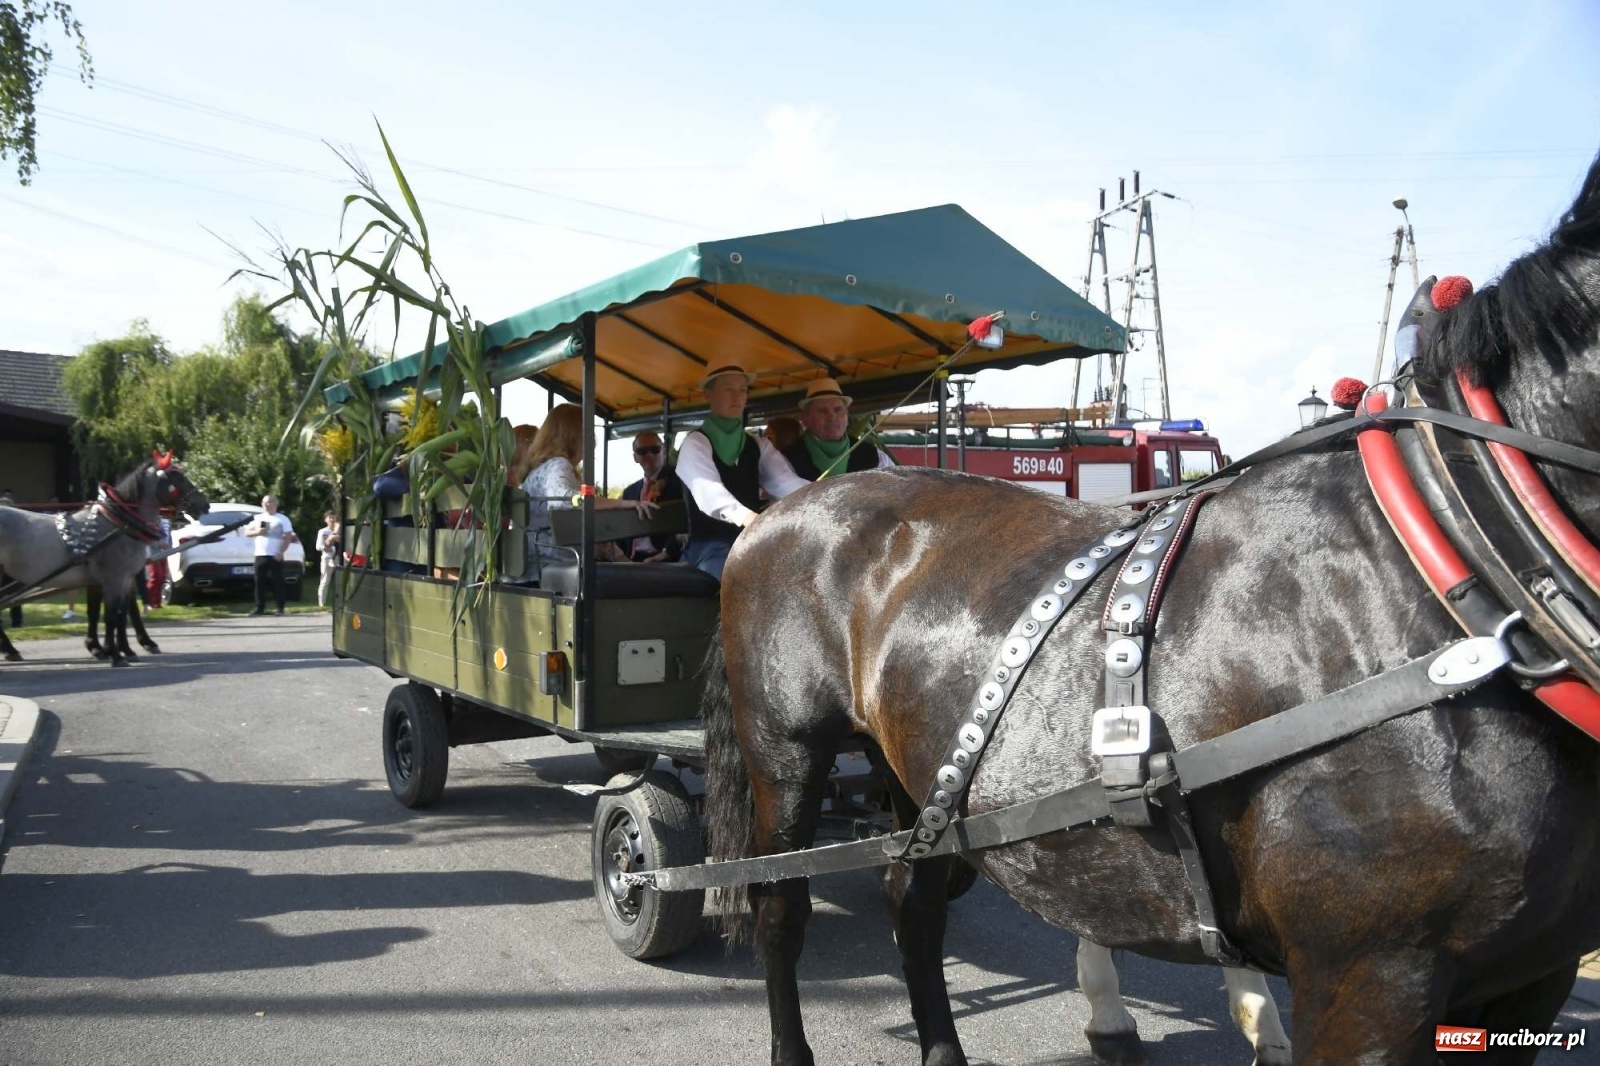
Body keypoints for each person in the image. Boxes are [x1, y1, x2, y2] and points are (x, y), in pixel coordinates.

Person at [676, 364, 809, 580]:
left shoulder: (757, 445)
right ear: (708, 394)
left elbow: (786, 482)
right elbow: (708, 491)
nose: (737, 396)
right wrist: (748, 517)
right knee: (740, 583)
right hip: (709, 547)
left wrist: (822, 495)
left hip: (750, 542)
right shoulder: (695, 443)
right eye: (728, 389)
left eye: (743, 390)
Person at [519, 404, 654, 580]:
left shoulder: (539, 469)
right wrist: (623, 503)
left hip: (535, 561)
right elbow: (565, 500)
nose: (592, 439)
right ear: (575, 435)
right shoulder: (559, 465)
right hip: (551, 561)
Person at [780, 377, 896, 481]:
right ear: (805, 419)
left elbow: (897, 489)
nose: (832, 417)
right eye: (822, 411)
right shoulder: (785, 459)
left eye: (838, 410)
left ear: (847, 415)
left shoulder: (873, 455)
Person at [619, 432, 684, 563]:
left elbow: (685, 522)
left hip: (665, 558)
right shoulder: (629, 492)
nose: (649, 455)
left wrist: (666, 553)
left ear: (664, 451)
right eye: (642, 451)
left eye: (655, 450)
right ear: (635, 457)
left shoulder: (680, 482)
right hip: (632, 559)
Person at [245, 495, 298, 616]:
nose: (266, 505)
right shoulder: (258, 518)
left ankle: (280, 608)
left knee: (277, 582)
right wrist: (257, 532)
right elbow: (247, 532)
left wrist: (280, 552)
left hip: (275, 555)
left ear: (275, 503)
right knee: (259, 582)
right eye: (264, 502)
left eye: (269, 502)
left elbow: (288, 537)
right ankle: (259, 608)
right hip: (260, 554)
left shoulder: (282, 519)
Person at [315, 511, 342, 608]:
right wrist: (327, 546)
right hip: (327, 557)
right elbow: (318, 546)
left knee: (341, 580)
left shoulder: (340, 531)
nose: (331, 519)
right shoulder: (323, 532)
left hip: (339, 558)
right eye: (329, 517)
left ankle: (341, 601)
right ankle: (322, 603)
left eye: (333, 517)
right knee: (325, 580)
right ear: (325, 520)